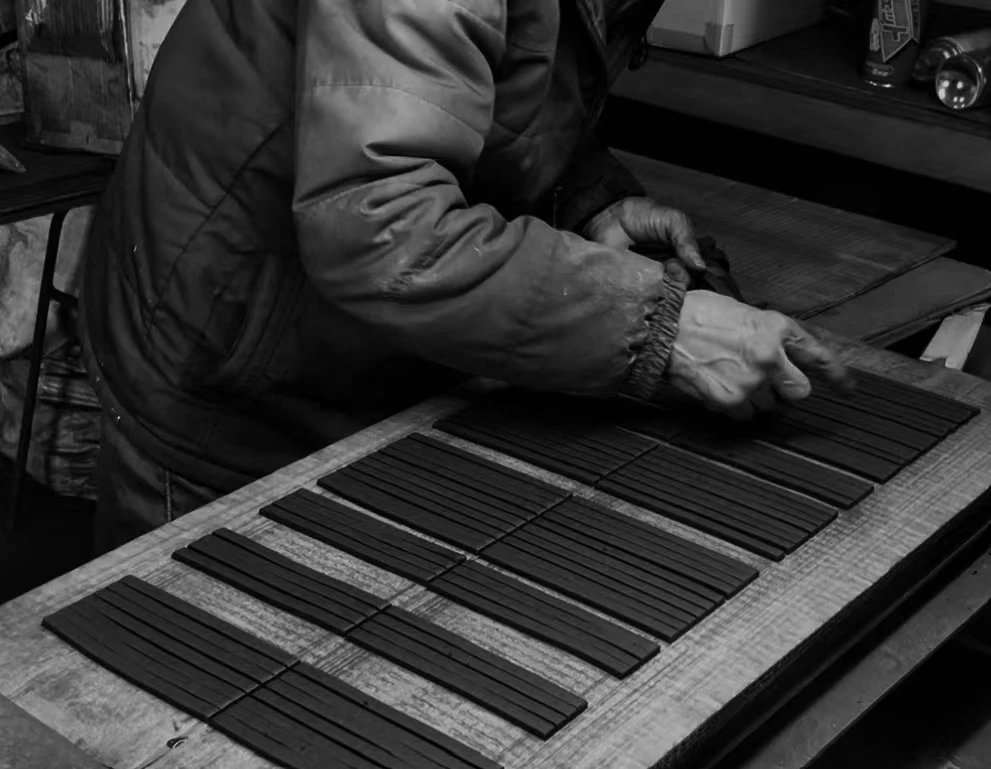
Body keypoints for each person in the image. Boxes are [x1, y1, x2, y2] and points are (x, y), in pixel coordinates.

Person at [79, 0, 850, 553]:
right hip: (228, 357)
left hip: (351, 344)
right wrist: (663, 326)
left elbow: (497, 86)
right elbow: (383, 226)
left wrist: (590, 200)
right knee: (198, 680)